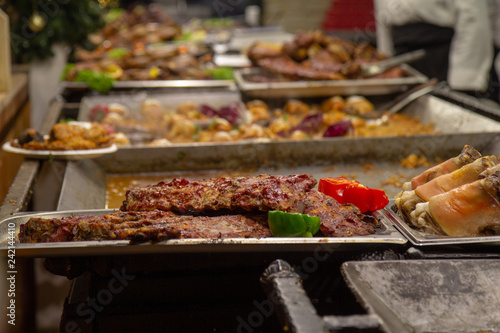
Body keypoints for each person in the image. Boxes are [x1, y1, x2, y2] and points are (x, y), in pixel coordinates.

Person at [374, 0, 494, 97]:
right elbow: (382, 19)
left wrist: (464, 83)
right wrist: (385, 66)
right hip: (401, 56)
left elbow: (473, 19)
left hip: (444, 55)